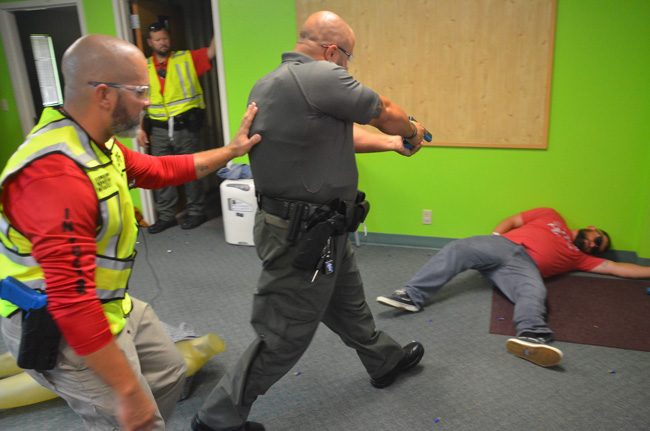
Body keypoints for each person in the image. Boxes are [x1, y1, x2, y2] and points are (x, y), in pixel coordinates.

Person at [0, 34, 261, 431]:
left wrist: (230, 151)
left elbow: (159, 171)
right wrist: (126, 391)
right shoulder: (54, 173)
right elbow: (71, 303)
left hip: (108, 302)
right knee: (137, 419)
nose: (149, 101)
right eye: (140, 91)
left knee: (171, 373)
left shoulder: (95, 143)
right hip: (58, 322)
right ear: (104, 94)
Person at [191, 11, 429, 431]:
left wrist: (390, 143)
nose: (347, 67)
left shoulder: (275, 83)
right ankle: (217, 418)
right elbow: (385, 109)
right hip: (303, 237)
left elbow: (338, 136)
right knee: (283, 333)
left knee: (347, 301)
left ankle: (384, 360)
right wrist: (410, 130)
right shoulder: (322, 76)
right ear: (332, 50)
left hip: (321, 230)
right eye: (348, 58)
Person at [377, 207, 650, 368]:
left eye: (597, 247)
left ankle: (532, 337)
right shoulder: (552, 216)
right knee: (458, 248)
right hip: (504, 245)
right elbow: (516, 220)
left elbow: (616, 268)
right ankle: (412, 296)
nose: (592, 244)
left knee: (535, 292)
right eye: (596, 238)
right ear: (591, 229)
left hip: (524, 268)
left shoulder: (581, 257)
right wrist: (496, 236)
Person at [137, 21, 217, 233]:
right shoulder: (142, 67)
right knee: (161, 173)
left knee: (190, 171)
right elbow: (139, 100)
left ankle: (196, 212)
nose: (162, 43)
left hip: (186, 129)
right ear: (149, 42)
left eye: (165, 38)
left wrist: (221, 23)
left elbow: (211, 51)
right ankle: (166, 216)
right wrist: (139, 128)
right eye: (157, 40)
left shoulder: (186, 59)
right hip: (159, 130)